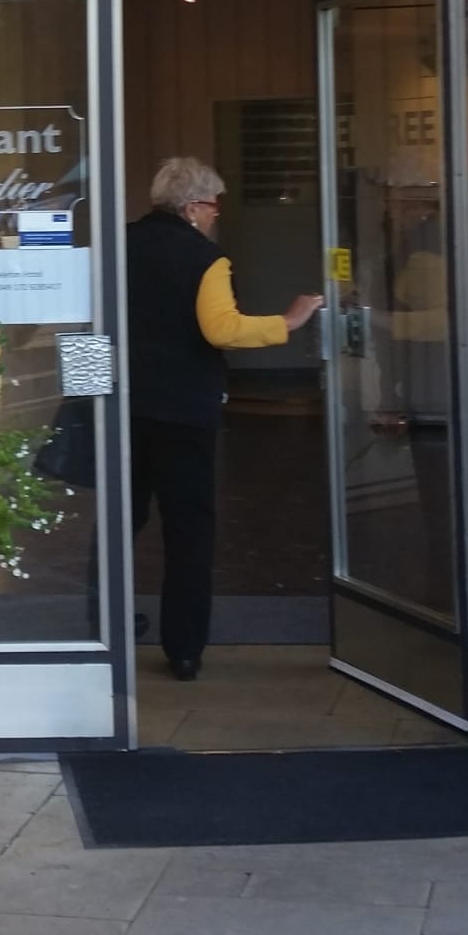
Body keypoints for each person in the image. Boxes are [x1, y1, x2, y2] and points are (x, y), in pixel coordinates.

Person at [126, 155, 324, 681]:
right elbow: (222, 329)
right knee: (188, 527)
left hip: (124, 405)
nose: (217, 214)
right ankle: (184, 648)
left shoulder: (119, 243)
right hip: (184, 410)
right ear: (192, 207)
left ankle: (100, 626)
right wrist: (289, 321)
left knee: (121, 520)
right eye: (214, 205)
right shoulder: (205, 259)